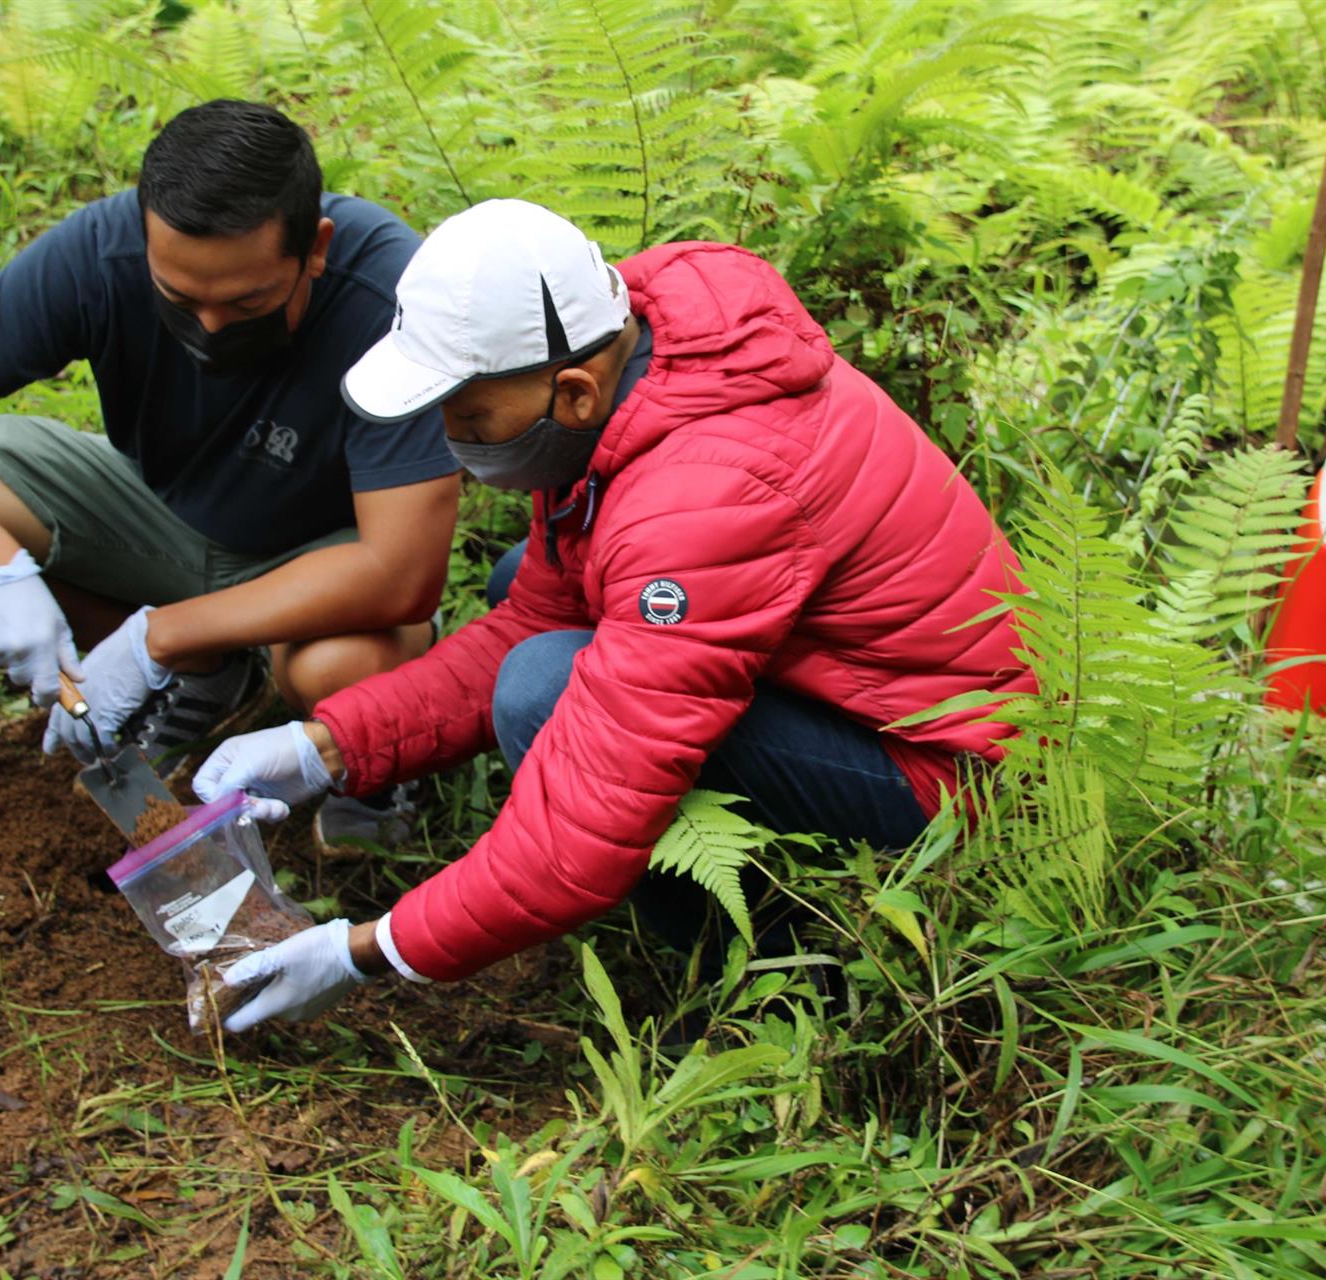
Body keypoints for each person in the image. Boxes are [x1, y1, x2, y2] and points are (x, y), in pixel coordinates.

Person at [186, 199, 1035, 1030]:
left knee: (543, 691)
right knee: (533, 595)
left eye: (471, 414)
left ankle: (781, 978)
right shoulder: (642, 366)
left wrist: (367, 949)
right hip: (849, 689)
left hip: (945, 775)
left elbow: (587, 817)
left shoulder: (703, 496)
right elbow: (533, 612)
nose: (452, 436)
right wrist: (324, 748)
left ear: (575, 391)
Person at [0, 101, 459, 844]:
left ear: (314, 249)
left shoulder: (390, 293)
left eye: (248, 300)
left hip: (323, 548)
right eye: (180, 298)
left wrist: (157, 635)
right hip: (157, 510)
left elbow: (401, 571)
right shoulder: (103, 249)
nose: (212, 326)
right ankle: (208, 669)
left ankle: (371, 758)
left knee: (338, 670)